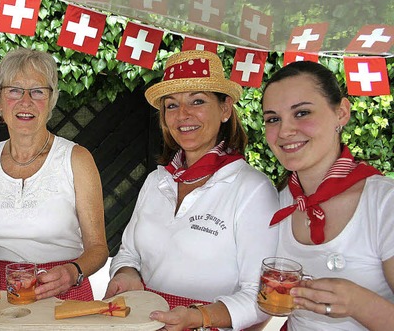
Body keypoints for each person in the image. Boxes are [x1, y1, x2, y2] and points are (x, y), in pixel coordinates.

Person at [104, 50, 279, 330]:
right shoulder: (156, 181)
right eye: (171, 105)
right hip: (146, 324)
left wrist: (199, 316)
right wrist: (126, 273)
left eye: (197, 101)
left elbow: (261, 296)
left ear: (225, 109)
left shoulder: (252, 190)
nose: (183, 115)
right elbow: (128, 252)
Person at [262, 60, 394, 330]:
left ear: (341, 113)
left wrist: (358, 303)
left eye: (302, 113)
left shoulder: (384, 204)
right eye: (273, 119)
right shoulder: (278, 201)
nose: (285, 131)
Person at [0, 47, 108, 301]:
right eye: (14, 90)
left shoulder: (77, 159)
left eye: (37, 91)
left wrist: (72, 272)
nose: (26, 101)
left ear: (51, 100)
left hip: (63, 292)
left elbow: (98, 248)